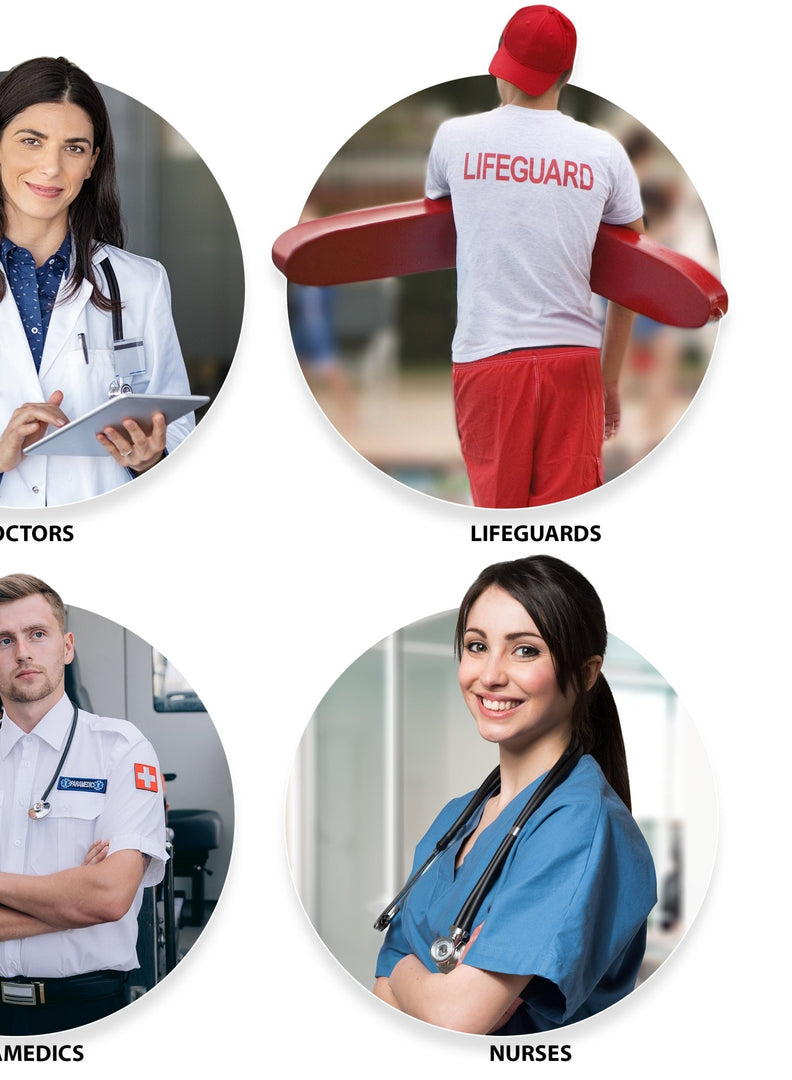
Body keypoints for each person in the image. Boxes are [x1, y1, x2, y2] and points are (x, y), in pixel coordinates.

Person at [0, 58, 194, 506]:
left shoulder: (141, 283)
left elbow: (178, 430)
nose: (51, 168)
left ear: (92, 163)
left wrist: (150, 458)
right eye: (32, 141)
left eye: (74, 148)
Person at [373, 555, 656, 1034]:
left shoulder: (581, 824)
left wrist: (404, 966)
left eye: (525, 651)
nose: (490, 675)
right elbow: (385, 993)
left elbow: (455, 1017)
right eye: (476, 645)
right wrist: (418, 976)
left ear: (586, 673)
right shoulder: (457, 818)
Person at [0, 573, 167, 1034]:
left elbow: (108, 898)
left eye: (37, 634)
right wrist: (67, 907)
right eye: (4, 641)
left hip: (85, 1011)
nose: (22, 651)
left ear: (66, 646)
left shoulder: (121, 749)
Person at [424, 6, 645, 507]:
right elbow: (632, 276)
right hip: (575, 364)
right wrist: (609, 378)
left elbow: (437, 224)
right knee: (564, 529)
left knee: (497, 525)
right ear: (565, 75)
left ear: (501, 65)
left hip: (488, 361)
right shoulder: (604, 153)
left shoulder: (454, 139)